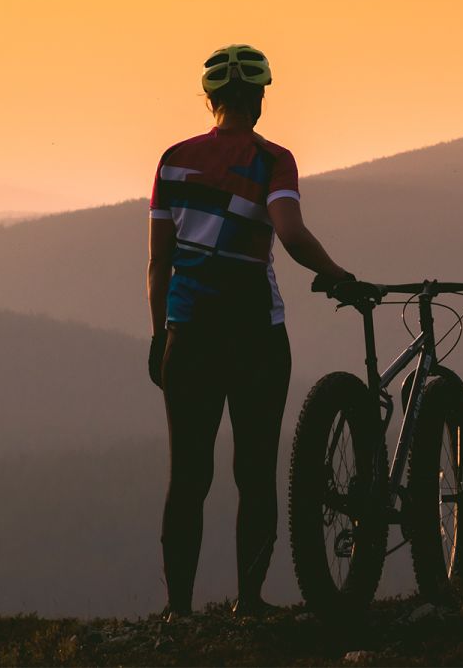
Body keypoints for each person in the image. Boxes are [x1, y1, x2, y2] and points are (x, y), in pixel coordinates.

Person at [146, 43, 354, 620]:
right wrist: (339, 276)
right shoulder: (273, 160)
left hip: (186, 336)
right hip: (256, 337)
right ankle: (250, 600)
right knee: (255, 470)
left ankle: (178, 611)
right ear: (258, 98)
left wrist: (160, 333)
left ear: (210, 99)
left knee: (188, 475)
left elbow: (159, 262)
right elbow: (290, 235)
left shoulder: (173, 160)